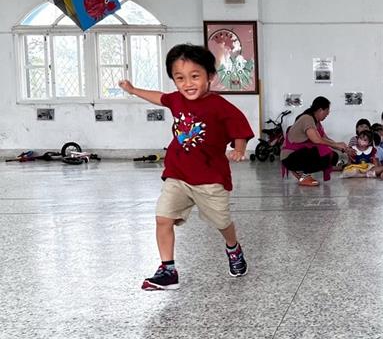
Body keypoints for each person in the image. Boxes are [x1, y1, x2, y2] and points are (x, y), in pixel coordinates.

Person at [118, 43, 253, 290]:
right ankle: (168, 270)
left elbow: (239, 127)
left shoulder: (219, 105)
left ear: (210, 76)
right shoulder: (176, 100)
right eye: (180, 78)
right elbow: (159, 97)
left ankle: (233, 247)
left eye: (195, 76)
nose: (187, 84)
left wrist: (239, 149)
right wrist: (133, 90)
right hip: (178, 173)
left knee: (222, 222)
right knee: (163, 218)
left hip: (210, 177)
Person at [280, 96, 351, 187]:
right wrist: (337, 145)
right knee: (323, 154)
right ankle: (302, 175)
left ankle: (303, 174)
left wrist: (343, 148)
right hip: (290, 157)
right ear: (320, 110)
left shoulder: (316, 123)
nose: (327, 114)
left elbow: (325, 138)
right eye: (327, 111)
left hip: (299, 154)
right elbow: (316, 140)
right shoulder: (307, 118)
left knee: (333, 156)